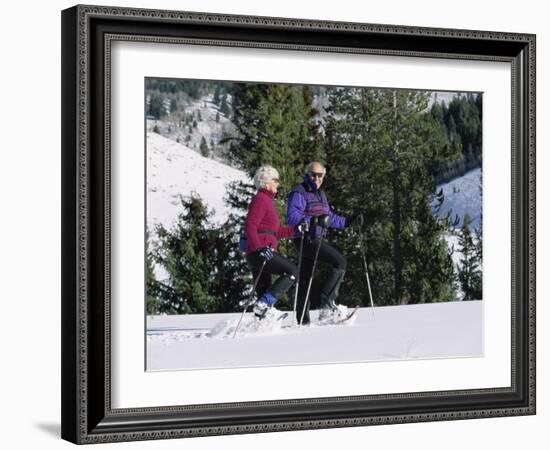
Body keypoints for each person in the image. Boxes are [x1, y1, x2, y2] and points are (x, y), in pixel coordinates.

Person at [286, 162, 363, 324]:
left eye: (320, 175)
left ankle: (302, 321)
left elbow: (329, 218)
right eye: (313, 174)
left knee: (305, 278)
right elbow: (292, 218)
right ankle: (327, 306)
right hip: (305, 239)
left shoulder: (321, 194)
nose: (316, 178)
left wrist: (349, 222)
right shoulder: (299, 192)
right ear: (307, 175)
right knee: (340, 262)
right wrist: (313, 220)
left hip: (315, 238)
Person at [244, 165, 307, 319]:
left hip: (258, 251)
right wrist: (259, 249)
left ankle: (261, 322)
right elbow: (250, 225)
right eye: (275, 180)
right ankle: (265, 304)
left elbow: (275, 232)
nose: (278, 183)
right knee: (292, 271)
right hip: (260, 251)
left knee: (263, 292)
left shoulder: (265, 200)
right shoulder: (261, 199)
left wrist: (295, 231)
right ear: (266, 183)